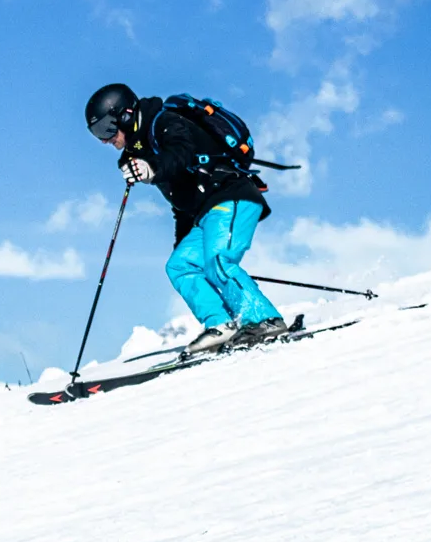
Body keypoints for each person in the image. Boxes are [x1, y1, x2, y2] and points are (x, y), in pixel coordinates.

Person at [85, 82, 286, 354]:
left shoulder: (165, 122)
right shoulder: (142, 149)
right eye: (96, 134)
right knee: (179, 265)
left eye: (106, 129)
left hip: (232, 197)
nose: (105, 140)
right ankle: (222, 324)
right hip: (206, 212)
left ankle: (265, 320)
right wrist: (181, 242)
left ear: (126, 114)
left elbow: (182, 153)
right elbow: (180, 200)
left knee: (217, 261)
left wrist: (152, 167)